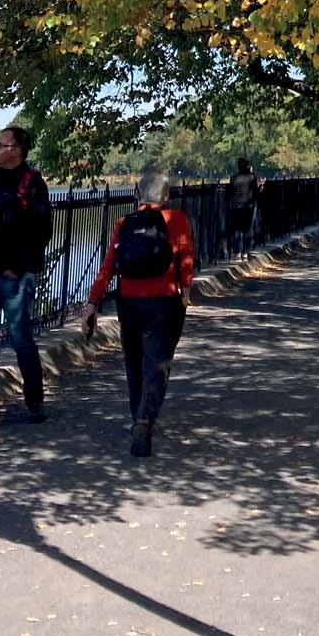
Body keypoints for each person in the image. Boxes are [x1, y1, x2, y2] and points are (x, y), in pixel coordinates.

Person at [82, 170, 196, 457]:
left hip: (129, 302)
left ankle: (136, 417)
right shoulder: (178, 219)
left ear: (136, 194)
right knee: (158, 363)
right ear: (167, 196)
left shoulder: (124, 223)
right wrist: (185, 292)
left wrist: (93, 302)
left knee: (133, 362)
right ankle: (146, 419)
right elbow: (186, 259)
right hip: (165, 301)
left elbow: (109, 266)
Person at [0, 124, 53, 430]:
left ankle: (34, 401)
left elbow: (41, 232)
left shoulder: (32, 184)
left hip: (14, 277)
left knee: (20, 340)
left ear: (16, 150)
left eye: (0, 145)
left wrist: (17, 266)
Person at [227, 158, 257, 259]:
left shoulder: (234, 178)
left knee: (237, 229)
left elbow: (230, 192)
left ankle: (237, 252)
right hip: (248, 207)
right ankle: (246, 252)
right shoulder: (251, 177)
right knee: (247, 229)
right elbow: (255, 192)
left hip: (235, 206)